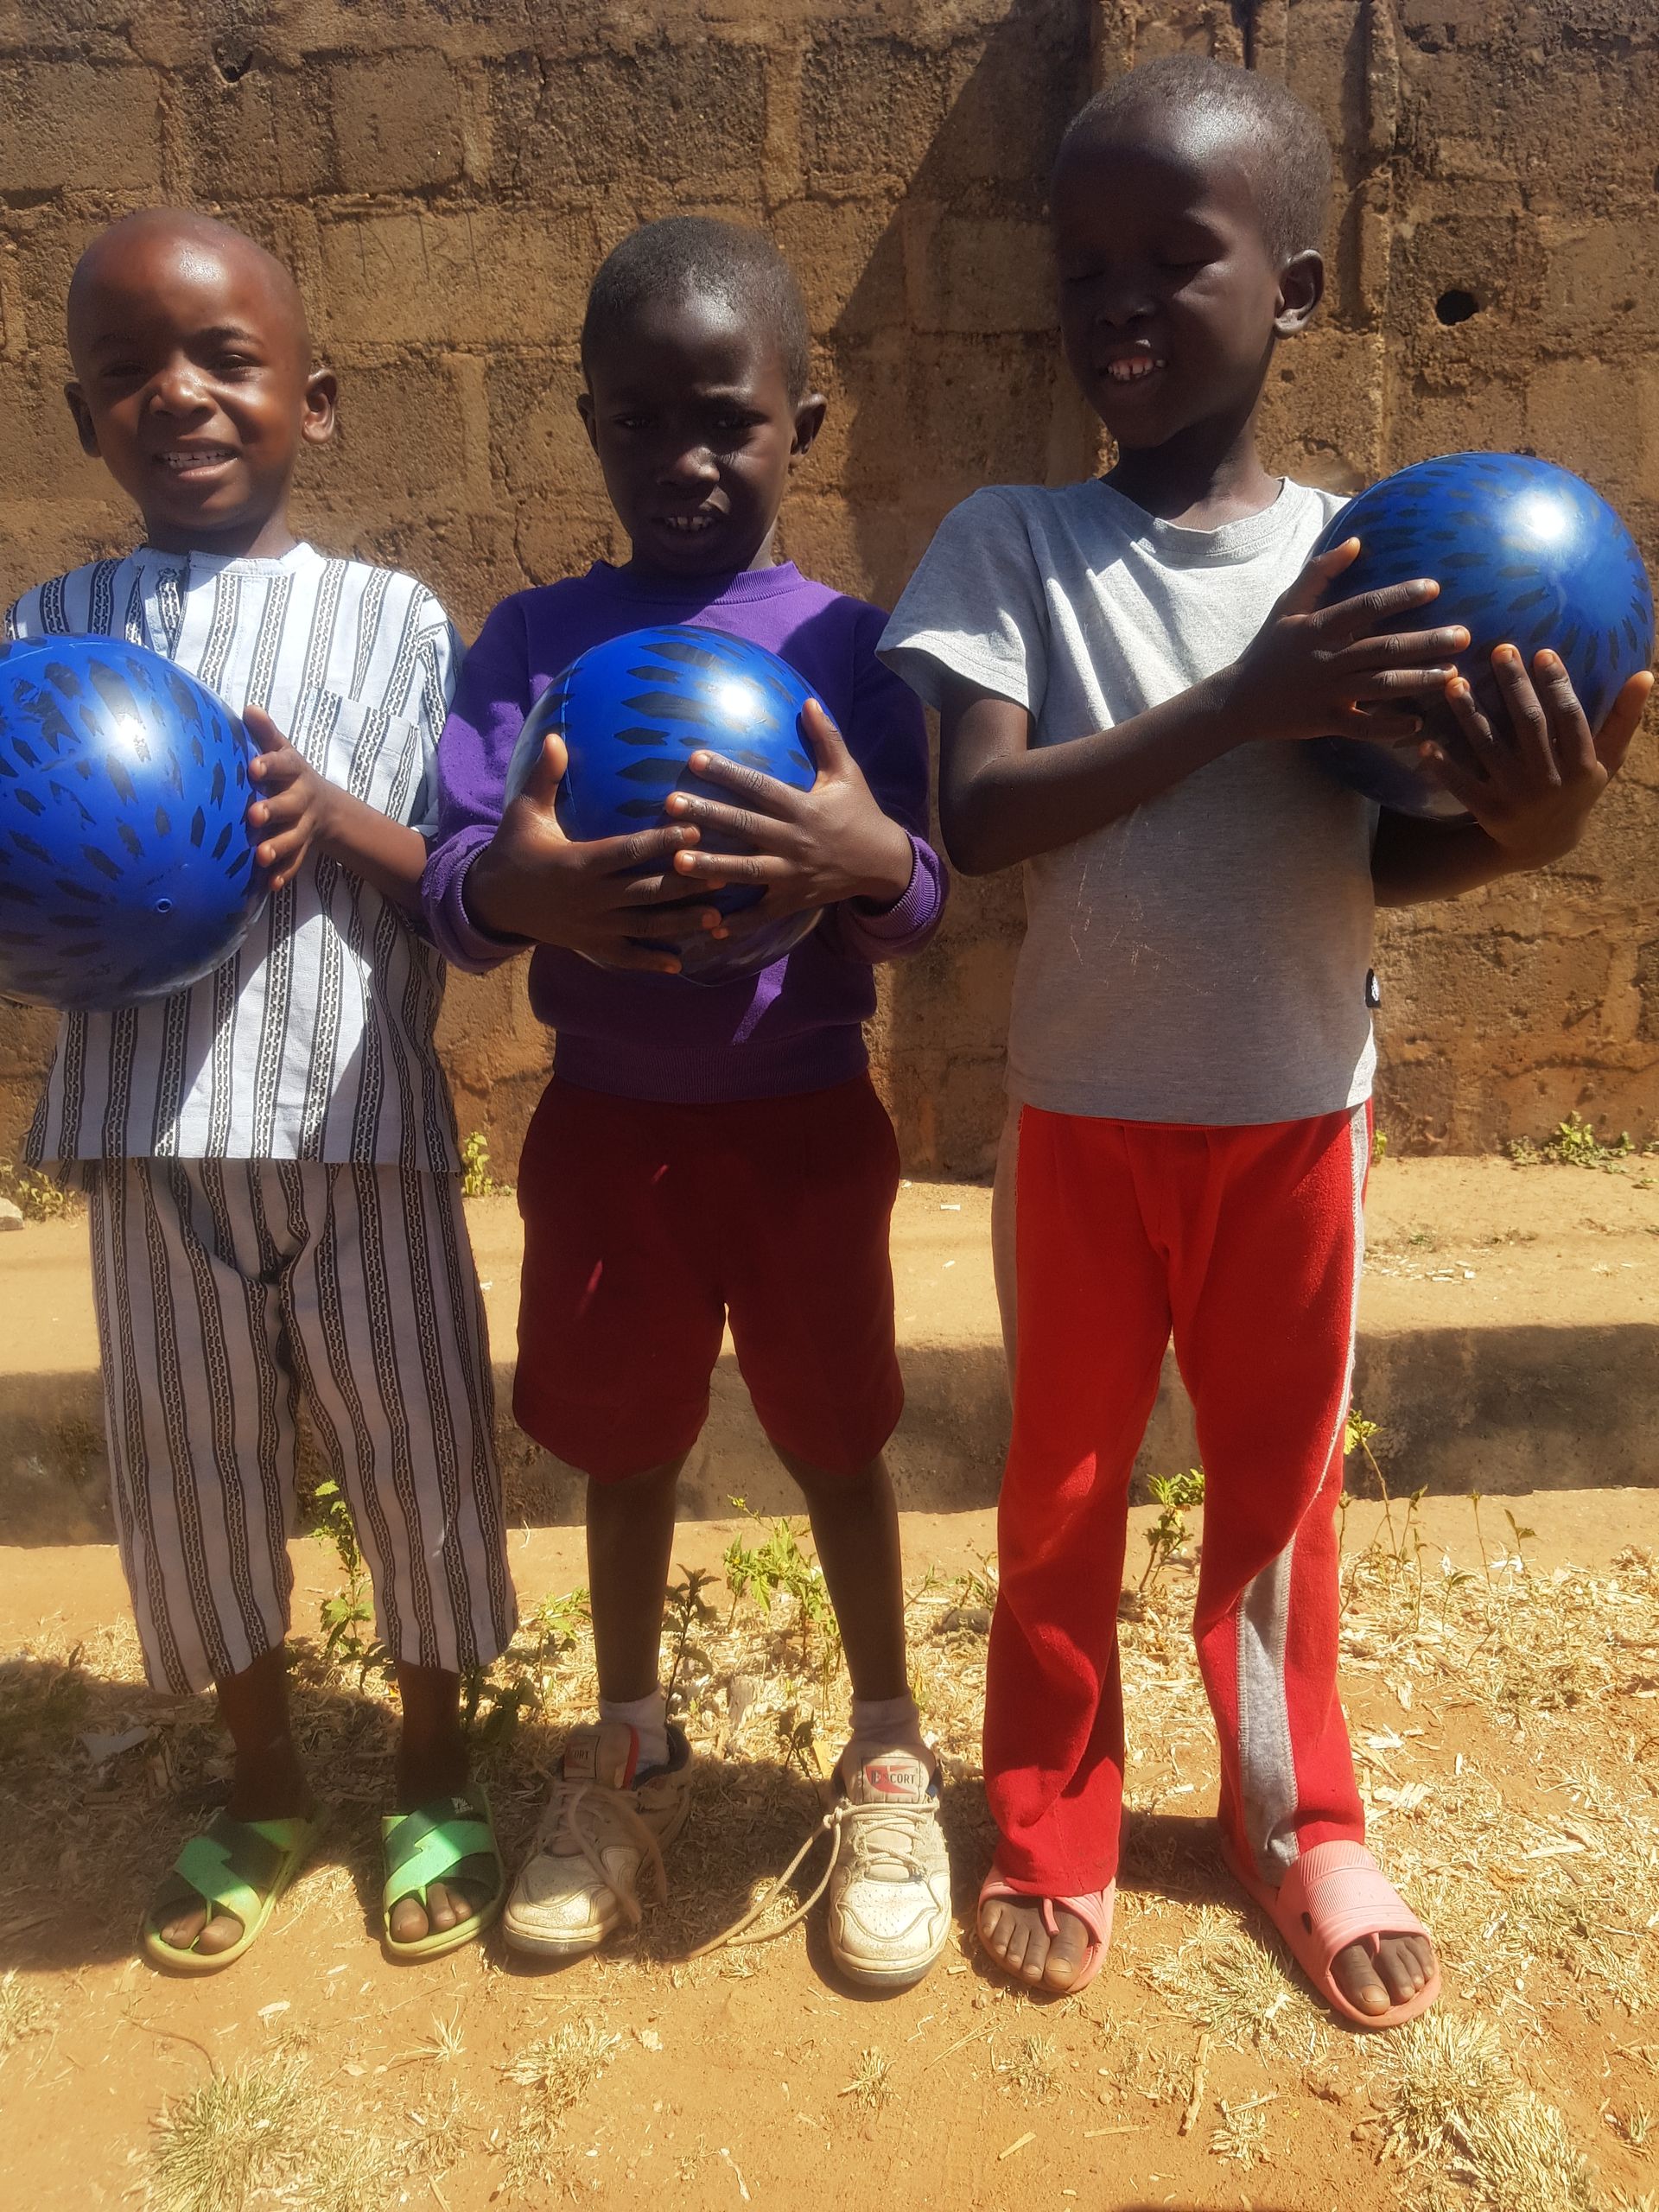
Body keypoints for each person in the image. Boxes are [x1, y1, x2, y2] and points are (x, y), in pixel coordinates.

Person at [880, 56, 1649, 2025]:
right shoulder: (1013, 541)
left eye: (1175, 256)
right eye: (1083, 266)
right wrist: (1244, 698)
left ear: (1297, 290)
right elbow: (982, 814)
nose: (1117, 300)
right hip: (1085, 1117)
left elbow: (1378, 855)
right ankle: (1051, 1810)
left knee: (1282, 1495)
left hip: (1300, 1114)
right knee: (1061, 1494)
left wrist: (1533, 832)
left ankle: (1295, 1819)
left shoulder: (1375, 559)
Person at [423, 218, 953, 1990]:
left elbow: (919, 893)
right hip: (608, 1134)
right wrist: (524, 890)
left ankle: (887, 1743)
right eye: (640, 421)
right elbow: (455, 883)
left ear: (804, 422)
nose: (687, 458)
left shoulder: (852, 646)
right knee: (627, 1442)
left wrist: (868, 855)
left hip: (806, 1128)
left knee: (838, 1438)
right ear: (587, 423)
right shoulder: (535, 641)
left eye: (728, 419)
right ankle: (631, 1735)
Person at [7, 208, 518, 1971]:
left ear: (319, 396)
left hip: (355, 1124)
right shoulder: (50, 628)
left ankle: (435, 1766)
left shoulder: (393, 622)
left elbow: (461, 878)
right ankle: (261, 1781)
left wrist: (335, 820)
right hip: (147, 1138)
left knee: (418, 1452)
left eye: (227, 360)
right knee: (193, 1470)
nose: (181, 395)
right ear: (82, 418)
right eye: (129, 370)